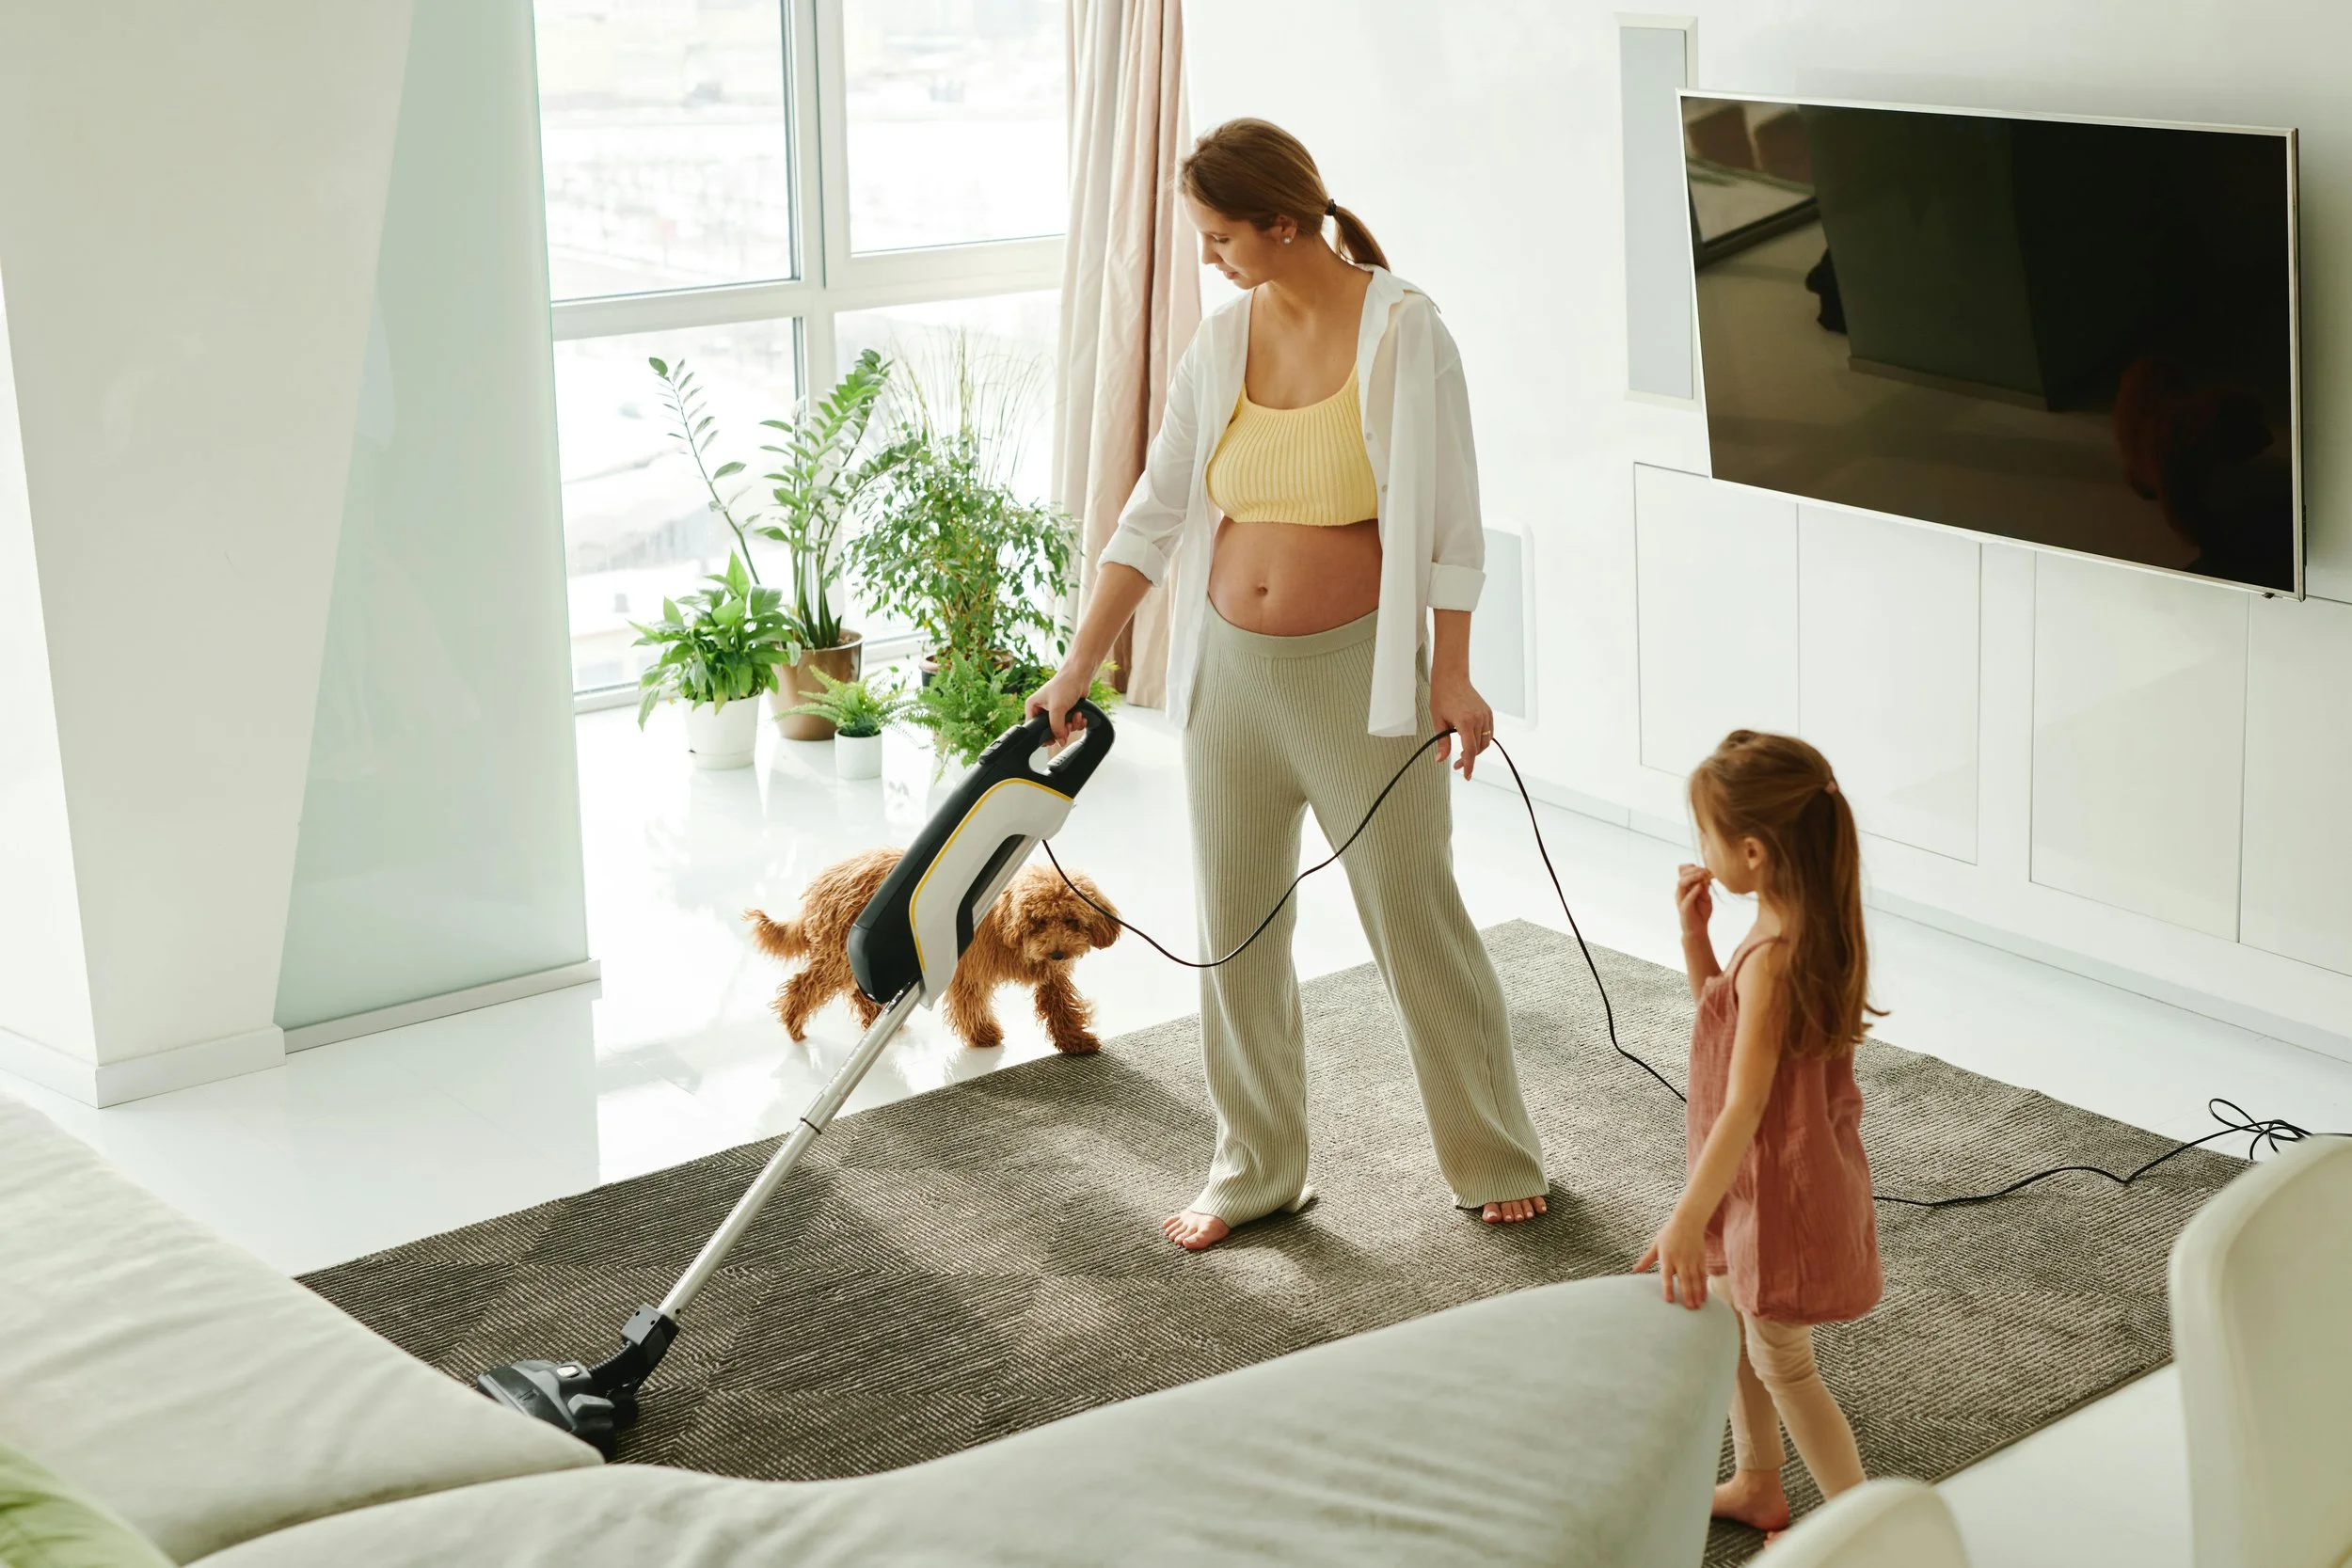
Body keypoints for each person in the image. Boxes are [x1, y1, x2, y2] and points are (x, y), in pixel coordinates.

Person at [1025, 118, 1549, 1251]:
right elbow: (1152, 516)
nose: (1208, 257)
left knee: (1413, 914)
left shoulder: (1404, 331)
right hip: (1232, 684)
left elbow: (1452, 524)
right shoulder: (1221, 341)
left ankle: (1492, 1149)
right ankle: (1255, 1167)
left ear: (1282, 221)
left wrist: (1454, 674)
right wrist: (1078, 666)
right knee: (1238, 929)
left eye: (1221, 236)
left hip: (1362, 678)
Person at [1637, 729, 1883, 1538]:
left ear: (1752, 851)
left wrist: (1686, 1217)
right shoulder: (1791, 921)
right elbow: (1727, 1020)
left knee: (1783, 1362)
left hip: (1776, 1190)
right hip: (1759, 1177)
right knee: (1736, 1323)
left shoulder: (1777, 954)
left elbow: (1744, 1102)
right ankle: (1757, 1482)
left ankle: (1863, 1528)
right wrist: (1696, 939)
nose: (1700, 851)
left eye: (1706, 835)